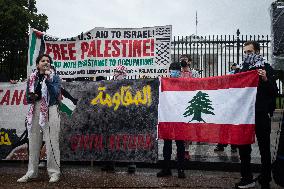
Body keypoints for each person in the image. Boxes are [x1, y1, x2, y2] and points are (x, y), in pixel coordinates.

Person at [235, 41, 278, 189]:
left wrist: (266, 79)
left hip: (260, 113)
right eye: (245, 52)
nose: (247, 54)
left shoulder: (266, 67)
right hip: (245, 114)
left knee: (264, 147)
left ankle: (265, 177)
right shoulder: (241, 69)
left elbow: (274, 91)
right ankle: (246, 177)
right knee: (243, 146)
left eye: (250, 51)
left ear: (258, 51)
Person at [17, 54, 61, 183]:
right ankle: (31, 172)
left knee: (52, 141)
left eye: (48, 61)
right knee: (34, 142)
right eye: (43, 61)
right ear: (38, 64)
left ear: (50, 64)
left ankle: (54, 173)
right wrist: (32, 96)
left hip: (51, 108)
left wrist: (48, 79)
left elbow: (55, 93)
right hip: (35, 109)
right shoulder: (32, 78)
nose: (45, 62)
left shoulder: (55, 77)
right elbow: (27, 98)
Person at [157, 62, 186, 179]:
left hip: (180, 118)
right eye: (172, 70)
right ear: (169, 71)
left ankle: (181, 169)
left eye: (176, 70)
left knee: (180, 145)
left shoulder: (185, 83)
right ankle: (166, 168)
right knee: (167, 145)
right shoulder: (164, 82)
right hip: (168, 117)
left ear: (180, 72)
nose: (174, 72)